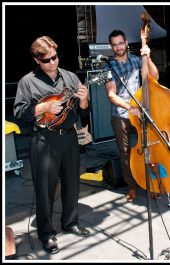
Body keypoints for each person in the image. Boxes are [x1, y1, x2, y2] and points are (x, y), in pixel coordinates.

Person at [14, 36, 90, 254]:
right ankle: (46, 234)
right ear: (37, 59)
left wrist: (84, 99)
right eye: (47, 60)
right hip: (44, 139)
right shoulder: (27, 82)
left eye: (55, 57)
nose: (53, 62)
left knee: (71, 182)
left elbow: (84, 110)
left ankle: (70, 222)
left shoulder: (70, 77)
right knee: (45, 189)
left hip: (69, 136)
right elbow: (19, 112)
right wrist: (43, 108)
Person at [103, 30, 159, 202]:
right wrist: (129, 107)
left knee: (148, 148)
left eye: (121, 43)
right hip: (121, 114)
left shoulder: (137, 60)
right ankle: (132, 185)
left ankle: (151, 183)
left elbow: (155, 77)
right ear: (111, 46)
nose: (118, 47)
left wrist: (147, 58)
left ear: (126, 43)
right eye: (115, 44)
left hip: (142, 113)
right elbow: (111, 95)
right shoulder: (108, 66)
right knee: (125, 152)